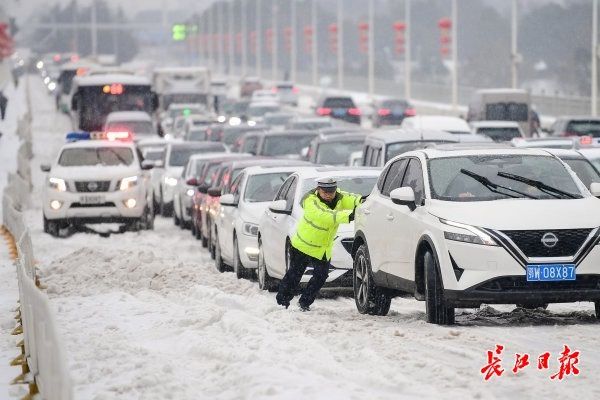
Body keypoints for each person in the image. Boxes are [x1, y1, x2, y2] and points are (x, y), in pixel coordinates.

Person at [276, 177, 363, 311]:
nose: (328, 195)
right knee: (295, 275)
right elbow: (324, 216)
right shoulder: (310, 201)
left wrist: (362, 201)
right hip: (303, 245)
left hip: (322, 248)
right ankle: (282, 302)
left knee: (321, 276)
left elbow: (351, 198)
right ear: (318, 190)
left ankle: (304, 303)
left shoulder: (339, 198)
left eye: (331, 191)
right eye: (325, 192)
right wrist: (348, 216)